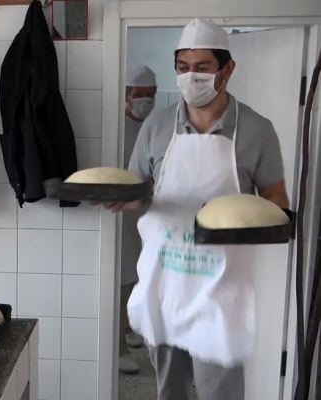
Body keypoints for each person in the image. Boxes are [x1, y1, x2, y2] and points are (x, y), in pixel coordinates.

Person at [106, 18, 289, 400]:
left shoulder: (257, 130)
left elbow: (277, 201)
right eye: (183, 67)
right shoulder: (156, 126)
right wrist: (122, 198)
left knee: (219, 393)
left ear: (227, 69)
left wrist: (243, 222)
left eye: (202, 67)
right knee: (170, 390)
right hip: (164, 283)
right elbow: (141, 191)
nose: (191, 77)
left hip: (220, 291)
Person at [119, 65, 157, 375]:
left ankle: (131, 329)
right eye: (140, 95)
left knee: (141, 275)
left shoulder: (157, 127)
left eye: (151, 96)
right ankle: (117, 348)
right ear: (127, 96)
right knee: (122, 275)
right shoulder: (115, 127)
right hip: (122, 213)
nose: (146, 101)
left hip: (151, 211)